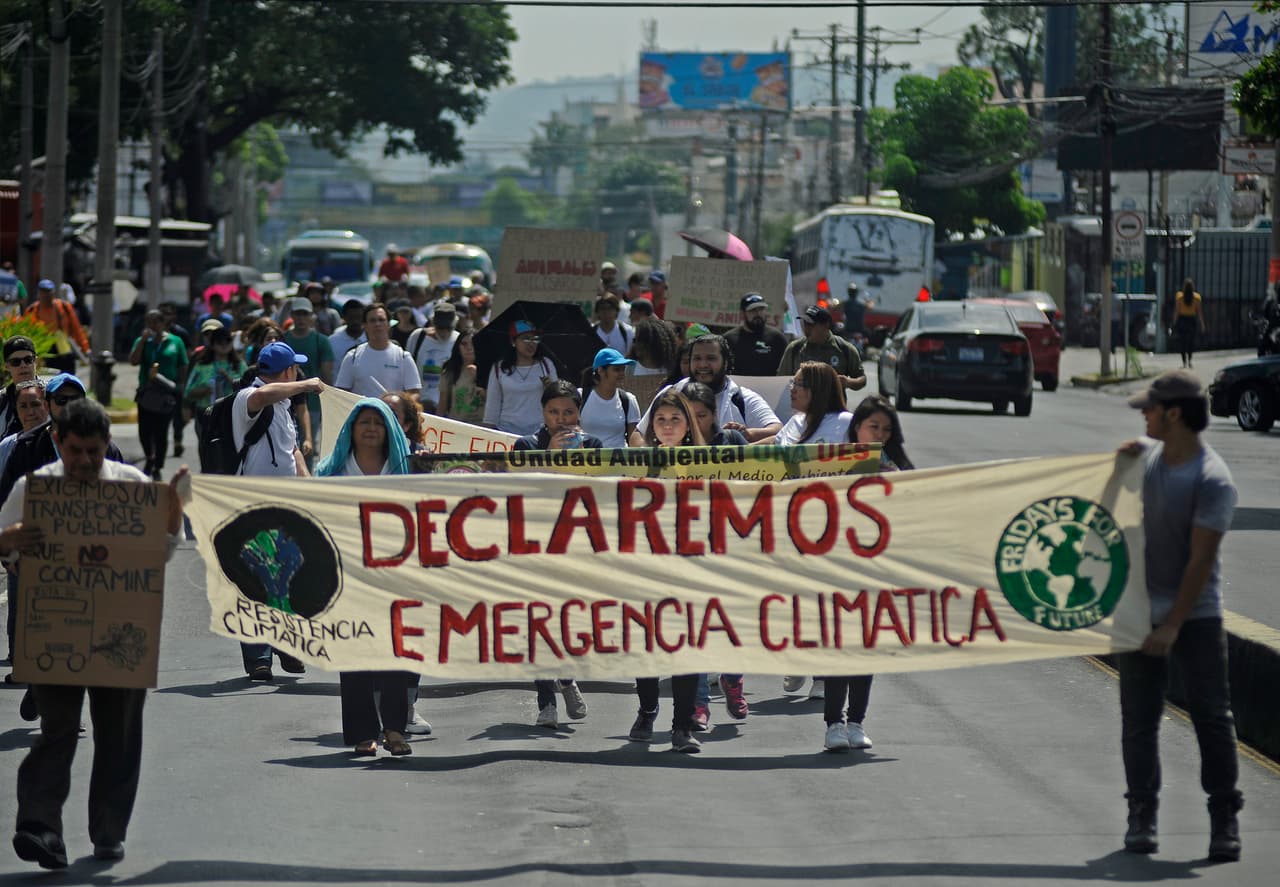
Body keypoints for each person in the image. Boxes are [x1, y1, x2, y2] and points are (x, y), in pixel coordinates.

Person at [0, 398, 187, 869]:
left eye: (94, 452)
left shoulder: (133, 488)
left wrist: (173, 510)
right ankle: (39, 828)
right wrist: (8, 541)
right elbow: (4, 545)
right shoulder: (33, 489)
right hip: (55, 630)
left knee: (119, 734)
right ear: (59, 443)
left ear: (108, 445)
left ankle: (109, 831)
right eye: (75, 451)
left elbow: (163, 552)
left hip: (121, 633)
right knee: (56, 730)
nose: (84, 461)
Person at [1117, 370, 1241, 861]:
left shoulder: (1212, 479)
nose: (1143, 414)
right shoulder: (1145, 461)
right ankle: (1141, 813)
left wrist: (1171, 625)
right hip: (1138, 610)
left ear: (1173, 414)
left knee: (1212, 716)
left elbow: (1201, 561)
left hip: (1196, 615)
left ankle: (1224, 816)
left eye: (1149, 408)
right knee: (1138, 720)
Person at [315, 398, 418, 755]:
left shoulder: (408, 469)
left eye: (378, 421)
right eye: (364, 422)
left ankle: (394, 729)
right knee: (355, 652)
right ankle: (363, 732)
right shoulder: (331, 471)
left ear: (389, 428)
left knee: (397, 653)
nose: (371, 428)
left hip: (396, 575)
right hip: (350, 577)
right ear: (351, 430)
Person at [817, 394, 913, 752]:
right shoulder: (829, 462)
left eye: (887, 429)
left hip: (876, 570)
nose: (880, 434)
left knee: (864, 649)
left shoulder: (896, 466)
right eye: (874, 426)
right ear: (857, 426)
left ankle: (856, 721)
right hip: (837, 566)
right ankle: (833, 724)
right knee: (838, 649)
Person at [234, 341, 322, 681]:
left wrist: (310, 484)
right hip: (253, 505)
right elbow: (260, 398)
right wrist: (306, 386)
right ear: (286, 372)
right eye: (295, 369)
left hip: (285, 505)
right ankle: (258, 655)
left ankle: (286, 643)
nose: (298, 372)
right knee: (255, 578)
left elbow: (292, 450)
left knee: (289, 573)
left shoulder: (283, 405)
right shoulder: (247, 398)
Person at [768, 362, 854, 703]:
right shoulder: (793, 424)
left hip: (832, 530)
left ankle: (823, 675)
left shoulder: (846, 425)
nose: (791, 389)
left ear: (816, 390)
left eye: (798, 384)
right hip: (790, 529)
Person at [512, 380, 595, 728]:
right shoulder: (526, 444)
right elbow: (515, 488)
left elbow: (596, 491)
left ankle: (567, 675)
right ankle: (546, 699)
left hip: (575, 544)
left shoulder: (593, 445)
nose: (561, 420)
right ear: (542, 413)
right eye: (553, 412)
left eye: (569, 412)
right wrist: (547, 455)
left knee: (570, 619)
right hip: (534, 543)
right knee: (537, 621)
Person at [629, 389, 706, 752]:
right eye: (661, 420)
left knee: (687, 647)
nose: (668, 426)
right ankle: (647, 708)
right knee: (647, 646)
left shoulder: (708, 463)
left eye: (676, 419)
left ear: (688, 425)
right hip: (647, 565)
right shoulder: (636, 463)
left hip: (691, 565)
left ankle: (682, 726)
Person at [634, 334, 781, 445]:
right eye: (697, 358)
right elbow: (638, 435)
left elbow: (778, 432)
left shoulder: (742, 398)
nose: (703, 365)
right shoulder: (671, 394)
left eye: (711, 358)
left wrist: (746, 436)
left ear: (725, 362)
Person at [0, 379, 46, 671]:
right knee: (20, 604)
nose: (30, 411)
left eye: (35, 404)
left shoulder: (65, 442)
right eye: (23, 406)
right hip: (24, 545)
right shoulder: (12, 447)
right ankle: (22, 664)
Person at [129, 308, 189, 481]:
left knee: (161, 431)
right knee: (144, 430)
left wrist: (181, 387)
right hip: (147, 391)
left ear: (163, 323)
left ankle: (158, 466)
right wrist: (142, 342)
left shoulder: (175, 341)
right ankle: (149, 456)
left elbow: (182, 364)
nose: (151, 325)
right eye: (148, 322)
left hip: (166, 392)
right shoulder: (143, 341)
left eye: (155, 321)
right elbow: (133, 361)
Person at [482, 320, 560, 435]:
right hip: (506, 430)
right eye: (526, 338)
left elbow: (559, 399)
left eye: (535, 339)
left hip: (538, 432)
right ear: (513, 341)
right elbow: (492, 405)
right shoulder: (499, 368)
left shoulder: (546, 365)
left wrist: (550, 388)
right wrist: (488, 432)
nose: (531, 343)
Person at [284, 297, 335, 468]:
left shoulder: (321, 341)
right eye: (297, 314)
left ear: (311, 316)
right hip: (285, 403)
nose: (301, 318)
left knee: (309, 448)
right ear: (291, 315)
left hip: (312, 404)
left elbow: (327, 374)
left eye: (305, 314)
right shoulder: (283, 340)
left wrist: (328, 401)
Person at [334, 303, 421, 400]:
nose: (377, 324)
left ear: (388, 324)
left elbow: (414, 393)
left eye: (381, 320)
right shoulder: (352, 357)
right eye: (372, 320)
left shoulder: (403, 357)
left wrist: (398, 406)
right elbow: (342, 392)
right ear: (365, 326)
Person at [777, 306, 867, 394]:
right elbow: (780, 381)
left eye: (811, 324)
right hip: (800, 407)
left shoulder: (844, 348)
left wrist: (848, 382)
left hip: (833, 407)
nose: (806, 328)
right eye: (805, 323)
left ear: (826, 325)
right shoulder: (795, 348)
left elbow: (862, 379)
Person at [184, 324, 246, 438]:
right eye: (219, 342)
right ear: (212, 345)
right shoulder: (201, 366)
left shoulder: (239, 365)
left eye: (227, 341)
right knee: (206, 451)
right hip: (206, 412)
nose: (224, 345)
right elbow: (188, 392)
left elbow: (249, 389)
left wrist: (230, 378)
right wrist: (206, 390)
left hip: (231, 413)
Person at [769, 361, 852, 446]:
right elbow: (774, 442)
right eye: (793, 383)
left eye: (800, 384)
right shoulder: (795, 421)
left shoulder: (845, 421)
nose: (792, 389)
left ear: (820, 389)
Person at [24, 279, 88, 374]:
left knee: (68, 379)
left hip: (63, 350)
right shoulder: (32, 310)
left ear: (53, 293)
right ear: (39, 293)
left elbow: (76, 329)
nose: (46, 295)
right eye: (43, 292)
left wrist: (85, 348)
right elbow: (26, 332)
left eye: (48, 292)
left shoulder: (64, 307)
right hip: (43, 351)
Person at [579, 348, 639, 448]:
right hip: (587, 462)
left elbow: (634, 440)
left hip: (619, 462)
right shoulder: (580, 396)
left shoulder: (629, 400)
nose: (622, 374)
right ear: (600, 370)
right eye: (616, 369)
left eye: (623, 369)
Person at [406, 301, 459, 412]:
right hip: (419, 404)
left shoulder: (458, 341)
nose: (444, 331)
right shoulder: (418, 337)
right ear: (433, 322)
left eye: (448, 328)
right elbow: (407, 369)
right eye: (440, 327)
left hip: (446, 407)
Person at [724, 293, 788, 376]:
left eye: (761, 309)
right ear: (742, 314)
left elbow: (786, 370)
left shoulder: (777, 338)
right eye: (752, 310)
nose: (758, 313)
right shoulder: (728, 340)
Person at [437, 330, 485, 424]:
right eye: (464, 344)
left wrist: (479, 378)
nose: (469, 348)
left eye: (473, 343)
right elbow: (442, 404)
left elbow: (493, 401)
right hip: (456, 424)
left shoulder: (490, 370)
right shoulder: (450, 371)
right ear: (458, 347)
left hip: (480, 427)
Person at [681, 381, 747, 446]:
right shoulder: (676, 443)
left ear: (713, 415)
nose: (694, 421)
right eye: (688, 416)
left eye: (701, 416)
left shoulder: (732, 439)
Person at [0, 336, 39, 440]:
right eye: (16, 362)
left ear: (35, 361)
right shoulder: (2, 401)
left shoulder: (52, 394)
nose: (23, 365)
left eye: (28, 360)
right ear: (6, 366)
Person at [1173, 278, 1208, 369]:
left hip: (1182, 320)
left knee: (1182, 342)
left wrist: (1174, 322)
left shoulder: (1179, 296)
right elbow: (1199, 312)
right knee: (1191, 341)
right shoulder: (1197, 298)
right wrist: (1202, 324)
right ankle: (1190, 360)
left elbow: (1177, 311)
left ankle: (1184, 362)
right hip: (1191, 320)